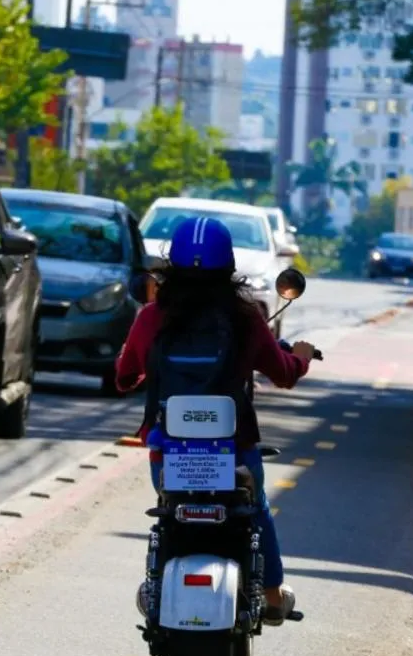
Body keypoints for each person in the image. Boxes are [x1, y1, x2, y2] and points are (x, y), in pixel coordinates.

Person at [115, 215, 316, 626]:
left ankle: (157, 581)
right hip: (235, 453)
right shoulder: (246, 318)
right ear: (228, 267)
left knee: (171, 511)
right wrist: (304, 355)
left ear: (170, 265)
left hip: (169, 460)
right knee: (255, 508)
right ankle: (274, 595)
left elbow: (123, 378)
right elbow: (285, 373)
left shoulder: (151, 318)